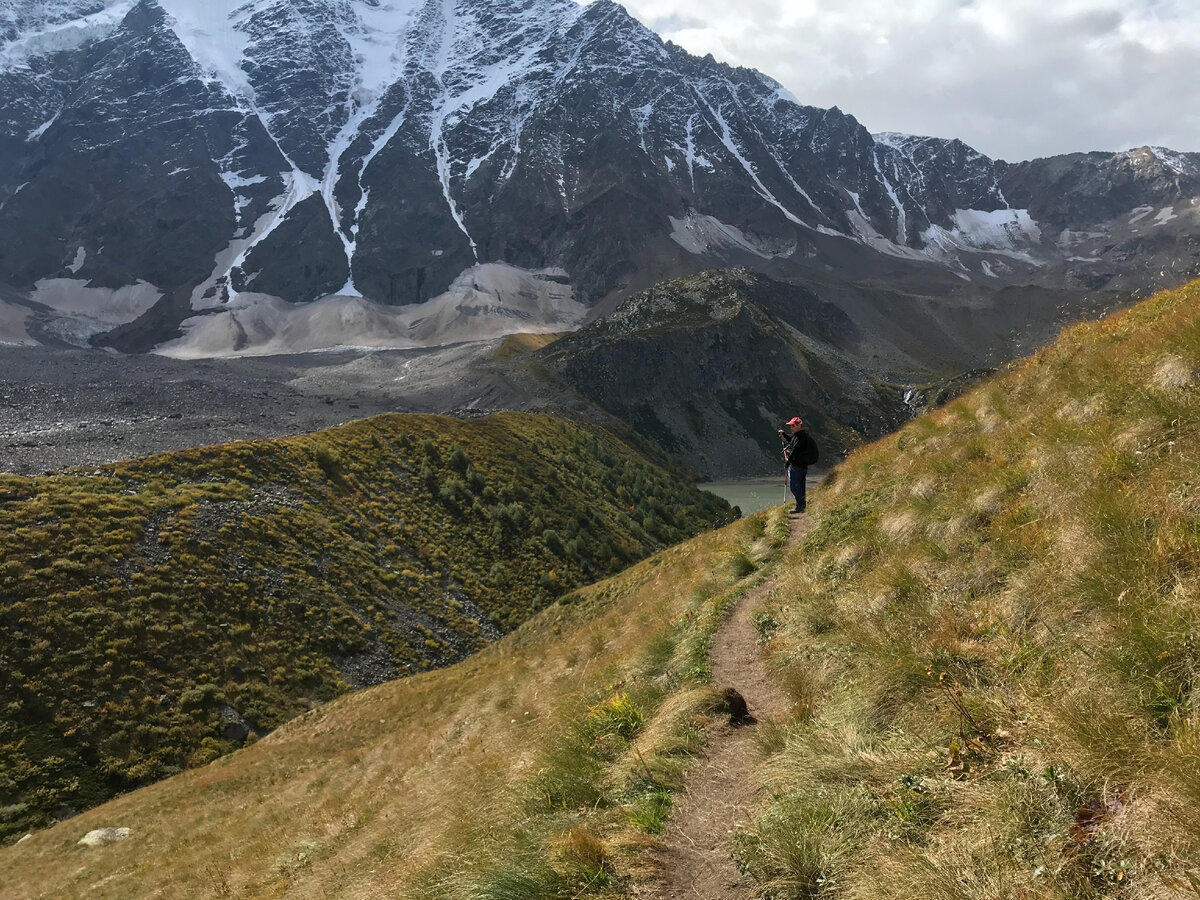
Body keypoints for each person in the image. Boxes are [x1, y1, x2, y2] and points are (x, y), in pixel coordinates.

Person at [779, 416, 816, 514]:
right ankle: (801, 506)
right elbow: (792, 441)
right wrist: (784, 435)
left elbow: (794, 451)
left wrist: (787, 464)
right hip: (802, 466)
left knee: (794, 487)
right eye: (790, 426)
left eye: (793, 426)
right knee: (800, 487)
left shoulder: (799, 437)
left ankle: (800, 507)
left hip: (797, 466)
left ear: (799, 425)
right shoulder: (800, 436)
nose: (791, 428)